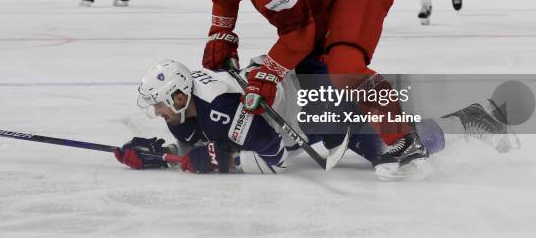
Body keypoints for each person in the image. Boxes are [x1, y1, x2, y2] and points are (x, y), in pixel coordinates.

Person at [195, 0, 433, 178]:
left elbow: (299, 34)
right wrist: (221, 32)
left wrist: (268, 75)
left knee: (345, 67)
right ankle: (351, 125)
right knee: (313, 70)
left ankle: (405, 137)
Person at [114, 59, 516, 177]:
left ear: (180, 95)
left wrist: (221, 161)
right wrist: (162, 154)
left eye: (161, 103)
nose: (157, 112)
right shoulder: (188, 104)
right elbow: (199, 140)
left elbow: (276, 158)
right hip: (301, 97)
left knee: (390, 152)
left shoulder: (219, 108)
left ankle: (467, 119)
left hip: (315, 105)